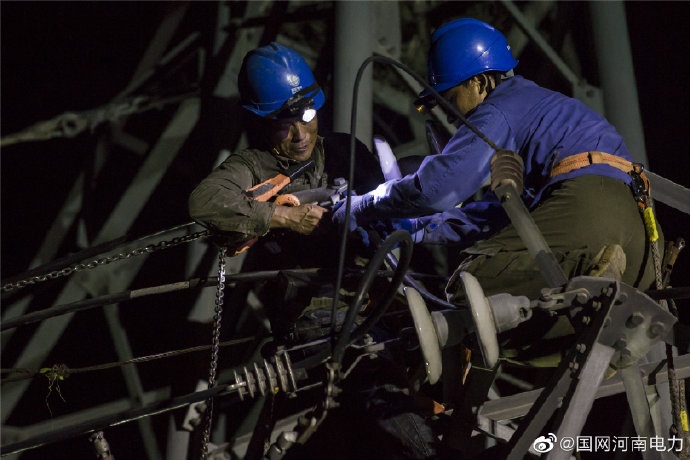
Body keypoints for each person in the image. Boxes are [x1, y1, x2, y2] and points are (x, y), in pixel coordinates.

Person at [333, 18, 660, 306]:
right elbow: (498, 215)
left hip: (589, 216)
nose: (450, 116)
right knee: (541, 328)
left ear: (480, 82)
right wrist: (416, 228)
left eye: (449, 99)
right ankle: (596, 281)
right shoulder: (539, 111)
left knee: (470, 286)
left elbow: (437, 188)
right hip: (640, 233)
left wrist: (362, 206)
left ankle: (584, 269)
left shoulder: (499, 107)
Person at [189, 42, 383, 339]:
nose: (300, 135)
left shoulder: (344, 151)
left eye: (307, 117)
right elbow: (204, 201)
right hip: (306, 304)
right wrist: (286, 217)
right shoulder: (253, 166)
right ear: (263, 122)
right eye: (284, 125)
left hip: (371, 285)